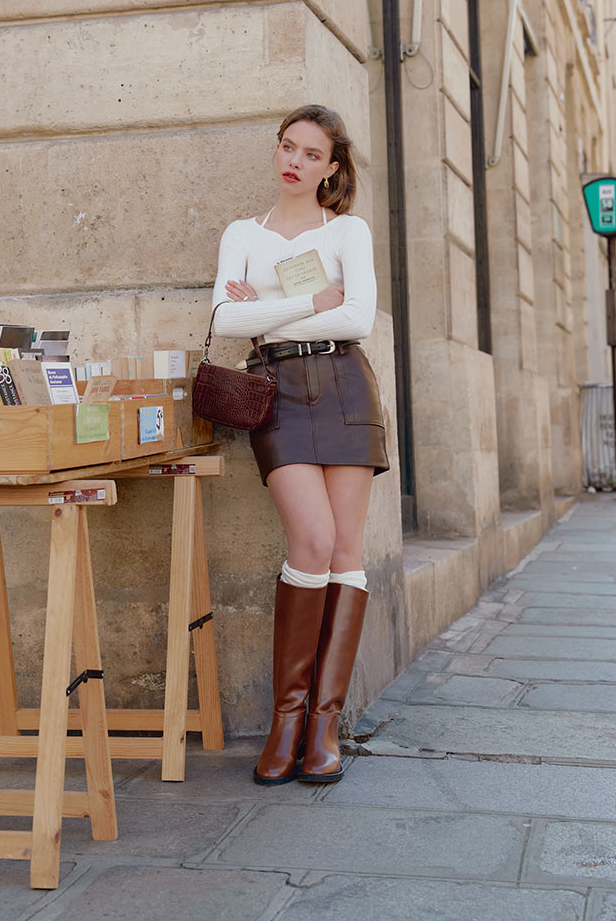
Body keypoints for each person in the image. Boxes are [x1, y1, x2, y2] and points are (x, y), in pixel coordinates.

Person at [210, 104, 388, 785]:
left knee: (345, 550)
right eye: (289, 147)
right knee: (309, 541)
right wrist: (309, 300)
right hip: (275, 388)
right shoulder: (243, 233)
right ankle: (286, 717)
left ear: (332, 168)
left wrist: (266, 300)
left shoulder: (348, 230)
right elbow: (226, 318)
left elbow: (357, 317)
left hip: (343, 383)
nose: (295, 162)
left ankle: (322, 725)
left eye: (312, 154)